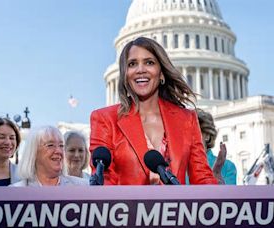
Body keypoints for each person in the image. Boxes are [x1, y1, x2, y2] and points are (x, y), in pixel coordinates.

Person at [89, 37, 217, 185]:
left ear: (161, 73)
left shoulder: (187, 119)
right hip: (124, 207)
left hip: (176, 207)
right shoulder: (105, 119)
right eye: (132, 64)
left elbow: (202, 178)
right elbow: (104, 180)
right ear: (125, 74)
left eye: (149, 62)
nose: (140, 70)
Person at [11, 126, 89, 186]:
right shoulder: (14, 192)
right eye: (50, 145)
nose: (59, 151)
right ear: (33, 152)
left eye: (61, 145)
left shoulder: (85, 187)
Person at [196, 108, 237, 185]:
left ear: (207, 135)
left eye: (195, 132)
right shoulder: (178, 166)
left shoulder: (228, 167)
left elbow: (229, 196)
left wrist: (216, 176)